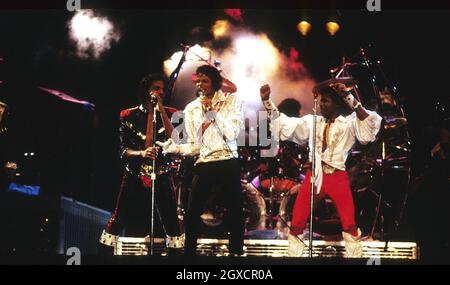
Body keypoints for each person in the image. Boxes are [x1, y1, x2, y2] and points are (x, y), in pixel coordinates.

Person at [259, 82, 382, 257]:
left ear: (337, 104)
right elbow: (285, 125)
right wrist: (267, 102)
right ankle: (294, 257)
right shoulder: (313, 121)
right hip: (314, 176)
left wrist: (349, 97)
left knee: (349, 223)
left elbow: (370, 124)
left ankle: (355, 258)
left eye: (325, 101)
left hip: (337, 177)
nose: (320, 104)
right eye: (319, 101)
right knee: (298, 219)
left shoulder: (349, 123)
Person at [157, 65, 245, 256]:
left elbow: (232, 133)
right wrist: (174, 147)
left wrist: (212, 114)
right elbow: (195, 145)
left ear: (214, 82)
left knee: (235, 209)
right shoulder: (192, 108)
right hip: (205, 162)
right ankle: (189, 254)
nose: (200, 85)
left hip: (228, 159)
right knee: (192, 209)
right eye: (198, 81)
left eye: (205, 81)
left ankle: (236, 252)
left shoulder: (231, 101)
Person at [99, 73, 184, 252]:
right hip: (134, 172)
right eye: (156, 88)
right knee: (119, 217)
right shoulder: (128, 115)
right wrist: (142, 153)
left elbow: (176, 140)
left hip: (161, 172)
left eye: (162, 89)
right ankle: (103, 256)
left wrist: (161, 110)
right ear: (147, 91)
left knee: (171, 221)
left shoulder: (172, 113)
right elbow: (123, 151)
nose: (160, 92)